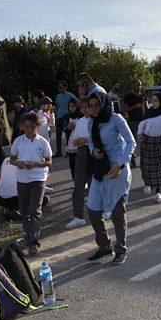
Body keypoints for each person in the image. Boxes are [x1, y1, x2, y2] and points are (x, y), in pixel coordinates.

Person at [86, 92, 136, 265]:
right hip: (100, 170)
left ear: (104, 104)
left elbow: (131, 142)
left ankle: (121, 249)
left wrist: (121, 164)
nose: (93, 109)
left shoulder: (116, 119)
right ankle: (104, 245)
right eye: (90, 105)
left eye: (96, 105)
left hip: (117, 170)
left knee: (117, 213)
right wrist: (93, 151)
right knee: (92, 209)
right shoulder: (91, 122)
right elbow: (90, 143)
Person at [10, 112, 53, 256]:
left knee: (35, 210)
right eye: (26, 127)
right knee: (24, 211)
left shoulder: (42, 142)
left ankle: (33, 243)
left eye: (31, 127)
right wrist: (19, 163)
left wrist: (36, 164)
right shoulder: (18, 141)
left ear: (37, 127)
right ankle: (28, 235)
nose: (28, 130)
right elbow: (12, 159)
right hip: (22, 179)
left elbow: (49, 161)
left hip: (38, 179)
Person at [65, 97, 92, 229]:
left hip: (94, 152)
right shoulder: (80, 121)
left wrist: (85, 140)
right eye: (82, 107)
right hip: (81, 153)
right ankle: (78, 216)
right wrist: (83, 141)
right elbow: (75, 141)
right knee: (78, 184)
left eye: (87, 106)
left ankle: (103, 210)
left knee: (96, 184)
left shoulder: (96, 120)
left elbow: (96, 139)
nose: (84, 109)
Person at [0, 156, 50, 222]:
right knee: (44, 199)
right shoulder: (29, 160)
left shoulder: (6, 159)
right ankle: (27, 212)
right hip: (17, 199)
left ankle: (7, 209)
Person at [123, 79, 148, 168]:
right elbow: (125, 110)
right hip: (133, 121)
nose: (139, 87)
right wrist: (135, 106)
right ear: (133, 85)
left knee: (143, 141)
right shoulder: (128, 96)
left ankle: (143, 161)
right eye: (137, 85)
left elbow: (146, 107)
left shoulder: (143, 95)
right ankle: (133, 161)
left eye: (140, 85)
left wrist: (148, 118)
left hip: (143, 121)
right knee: (133, 142)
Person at [54, 81, 76, 158]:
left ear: (65, 87)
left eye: (61, 87)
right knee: (58, 135)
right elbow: (57, 106)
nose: (60, 89)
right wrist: (55, 116)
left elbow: (76, 102)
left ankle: (68, 151)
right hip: (59, 116)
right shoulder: (58, 96)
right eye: (59, 87)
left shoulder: (70, 95)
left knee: (67, 134)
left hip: (67, 116)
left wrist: (72, 111)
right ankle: (58, 152)